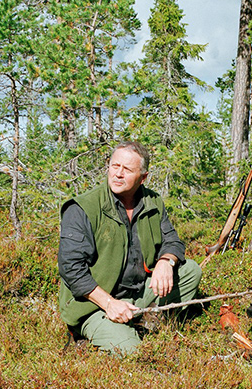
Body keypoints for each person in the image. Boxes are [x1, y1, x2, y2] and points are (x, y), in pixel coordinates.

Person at [57, 141, 202, 354]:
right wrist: (109, 304)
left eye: (127, 169)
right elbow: (71, 269)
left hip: (137, 292)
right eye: (115, 166)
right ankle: (88, 333)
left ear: (143, 177)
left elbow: (172, 240)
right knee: (133, 351)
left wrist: (166, 261)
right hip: (94, 304)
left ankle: (146, 322)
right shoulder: (82, 208)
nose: (118, 174)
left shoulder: (152, 201)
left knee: (191, 271)